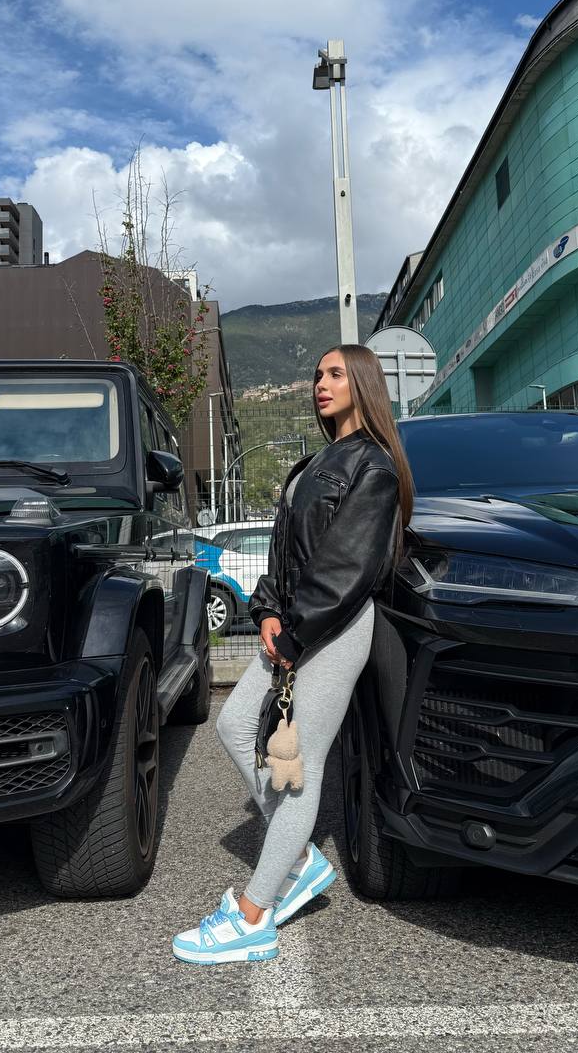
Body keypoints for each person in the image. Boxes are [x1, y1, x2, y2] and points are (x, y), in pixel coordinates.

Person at [171, 344, 414, 965]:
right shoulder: (315, 462)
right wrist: (268, 611)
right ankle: (299, 857)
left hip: (334, 629)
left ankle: (254, 915)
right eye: (316, 375)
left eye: (335, 374)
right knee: (233, 724)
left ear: (363, 384)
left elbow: (346, 569)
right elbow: (285, 553)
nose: (319, 384)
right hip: (296, 626)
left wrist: (295, 633)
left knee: (299, 766)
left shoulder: (375, 467)